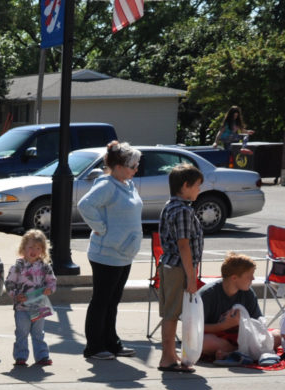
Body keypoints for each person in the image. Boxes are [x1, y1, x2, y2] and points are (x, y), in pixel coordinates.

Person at [76, 140, 143, 361]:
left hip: (124, 254)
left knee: (112, 301)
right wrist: (101, 228)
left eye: (136, 165)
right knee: (101, 301)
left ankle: (111, 343)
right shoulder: (106, 185)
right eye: (132, 166)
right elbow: (85, 205)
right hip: (106, 254)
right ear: (118, 167)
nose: (136, 170)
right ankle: (94, 347)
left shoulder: (127, 184)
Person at [156, 163, 205, 372]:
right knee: (172, 314)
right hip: (178, 268)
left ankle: (171, 354)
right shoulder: (183, 211)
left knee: (171, 312)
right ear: (185, 186)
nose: (199, 190)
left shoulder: (170, 206)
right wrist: (191, 277)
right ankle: (167, 358)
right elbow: (183, 245)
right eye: (197, 185)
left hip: (170, 265)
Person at [200, 252, 281, 364]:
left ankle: (233, 353)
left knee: (277, 335)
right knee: (204, 342)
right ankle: (243, 353)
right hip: (218, 337)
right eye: (249, 276)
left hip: (241, 337)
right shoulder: (207, 294)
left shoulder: (248, 292)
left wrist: (243, 324)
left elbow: (258, 323)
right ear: (234, 278)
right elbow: (195, 328)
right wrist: (224, 325)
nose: (253, 278)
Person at [4, 228, 57, 367]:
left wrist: (49, 289)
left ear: (43, 250)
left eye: (38, 248)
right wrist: (16, 295)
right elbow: (9, 283)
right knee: (22, 332)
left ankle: (42, 356)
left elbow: (52, 281)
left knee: (38, 333)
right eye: (31, 247)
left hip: (39, 305)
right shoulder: (18, 266)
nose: (34, 251)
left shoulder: (45, 267)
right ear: (23, 248)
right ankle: (21, 356)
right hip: (21, 307)